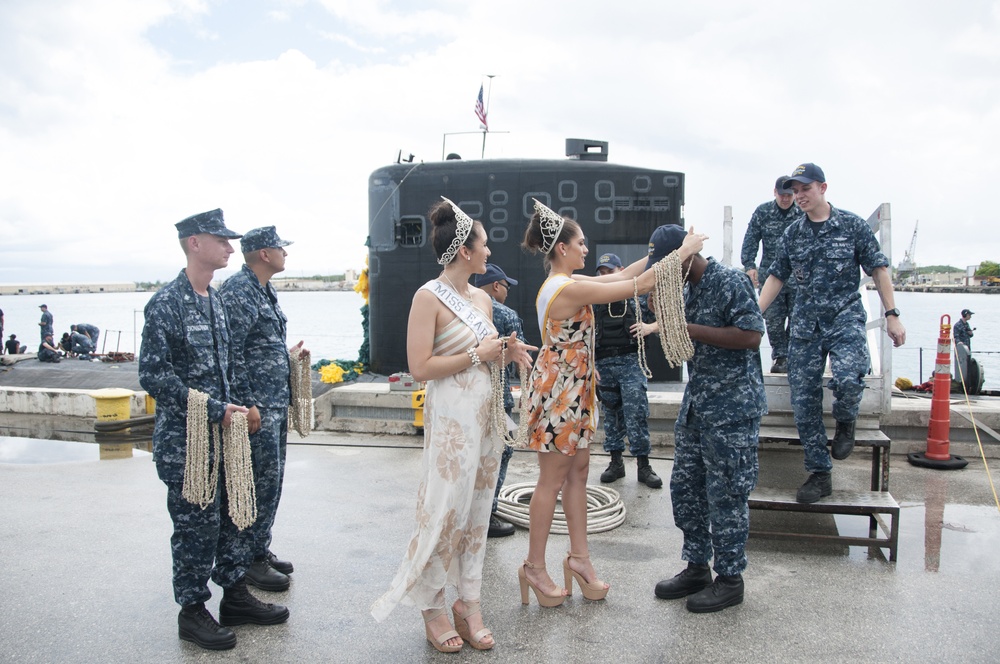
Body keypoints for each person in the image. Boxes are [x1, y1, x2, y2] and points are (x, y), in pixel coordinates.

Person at [519, 199, 705, 609]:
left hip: (575, 389)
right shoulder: (566, 287)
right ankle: (534, 565)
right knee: (551, 481)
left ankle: (580, 559)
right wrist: (683, 251)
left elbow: (622, 275)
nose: (587, 249)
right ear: (562, 248)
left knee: (578, 473)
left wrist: (655, 257)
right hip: (560, 394)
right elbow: (633, 286)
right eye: (581, 243)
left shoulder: (567, 282)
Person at [371, 198, 535, 653]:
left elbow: (486, 352)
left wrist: (507, 352)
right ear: (465, 251)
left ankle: (469, 601)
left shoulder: (481, 297)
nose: (489, 251)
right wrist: (478, 355)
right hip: (451, 428)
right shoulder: (428, 297)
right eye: (484, 244)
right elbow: (420, 366)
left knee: (477, 514)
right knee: (445, 514)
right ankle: (432, 606)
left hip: (484, 424)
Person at [139, 208, 288, 652]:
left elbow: (231, 365)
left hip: (229, 435)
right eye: (220, 240)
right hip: (188, 445)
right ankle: (191, 610)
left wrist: (247, 406)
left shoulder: (216, 303)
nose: (229, 247)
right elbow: (154, 377)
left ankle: (235, 593)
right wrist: (216, 409)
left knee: (233, 519)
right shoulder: (167, 304)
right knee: (195, 528)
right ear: (194, 244)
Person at [758, 163, 906, 504]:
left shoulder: (851, 226)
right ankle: (820, 473)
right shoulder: (792, 233)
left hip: (844, 319)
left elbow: (879, 270)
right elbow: (776, 277)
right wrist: (755, 314)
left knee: (850, 378)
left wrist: (892, 315)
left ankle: (845, 421)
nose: (799, 196)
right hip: (806, 325)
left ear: (822, 188)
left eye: (805, 189)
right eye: (794, 191)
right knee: (804, 399)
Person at [648, 225, 767, 613]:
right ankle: (697, 566)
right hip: (699, 405)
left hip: (732, 408)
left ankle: (730, 578)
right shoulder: (685, 290)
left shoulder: (729, 281)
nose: (666, 274)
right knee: (687, 489)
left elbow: (751, 335)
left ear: (687, 257)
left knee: (727, 494)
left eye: (669, 266)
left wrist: (689, 328)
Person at [220, 226, 305, 592]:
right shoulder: (239, 291)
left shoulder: (264, 289)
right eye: (281, 249)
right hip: (256, 407)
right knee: (254, 484)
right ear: (264, 254)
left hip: (273, 402)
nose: (286, 254)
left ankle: (259, 547)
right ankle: (247, 560)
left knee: (271, 483)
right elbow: (232, 352)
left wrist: (287, 358)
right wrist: (247, 402)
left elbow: (258, 347)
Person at [592, 252, 663, 489]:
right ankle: (615, 462)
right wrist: (590, 364)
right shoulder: (595, 301)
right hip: (604, 364)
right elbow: (584, 334)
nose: (606, 276)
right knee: (611, 415)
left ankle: (643, 465)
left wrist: (649, 327)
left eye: (610, 272)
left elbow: (665, 318)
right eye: (601, 273)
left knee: (636, 413)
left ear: (621, 270)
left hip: (631, 362)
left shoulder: (637, 297)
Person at [473, 262, 524, 539]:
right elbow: (520, 361)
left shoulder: (465, 311)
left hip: (469, 396)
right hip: (497, 397)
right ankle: (486, 514)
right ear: (496, 286)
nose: (507, 292)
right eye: (506, 286)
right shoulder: (506, 314)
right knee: (499, 453)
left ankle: (466, 511)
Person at [741, 176, 801, 373]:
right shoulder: (763, 212)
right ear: (774, 192)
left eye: (789, 195)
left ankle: (792, 356)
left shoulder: (802, 212)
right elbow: (751, 239)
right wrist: (749, 265)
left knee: (797, 316)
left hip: (798, 275)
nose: (786, 199)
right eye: (782, 195)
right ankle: (781, 357)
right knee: (773, 319)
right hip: (770, 274)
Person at [953, 309, 974, 383]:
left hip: (967, 348)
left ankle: (967, 381)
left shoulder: (967, 324)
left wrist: (971, 333)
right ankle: (960, 381)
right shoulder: (957, 325)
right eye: (969, 315)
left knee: (968, 365)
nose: (970, 316)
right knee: (961, 366)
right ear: (965, 315)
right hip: (961, 349)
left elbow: (970, 335)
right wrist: (959, 343)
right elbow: (956, 336)